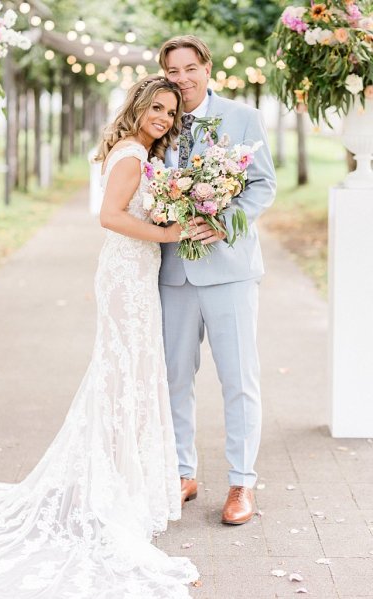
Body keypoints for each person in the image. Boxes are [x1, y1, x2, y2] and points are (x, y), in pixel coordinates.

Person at [0, 75, 198, 598]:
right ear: (140, 105)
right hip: (125, 275)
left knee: (129, 375)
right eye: (157, 108)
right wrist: (171, 231)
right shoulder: (131, 156)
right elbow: (110, 216)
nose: (164, 118)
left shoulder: (141, 150)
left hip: (137, 272)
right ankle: (114, 489)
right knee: (123, 374)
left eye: (172, 112)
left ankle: (122, 482)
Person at [158, 35, 276, 524]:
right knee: (174, 378)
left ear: (206, 67)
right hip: (172, 272)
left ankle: (241, 484)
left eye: (190, 68)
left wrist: (223, 222)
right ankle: (182, 472)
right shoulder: (158, 116)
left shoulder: (242, 117)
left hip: (229, 269)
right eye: (173, 71)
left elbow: (263, 184)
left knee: (238, 378)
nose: (182, 79)